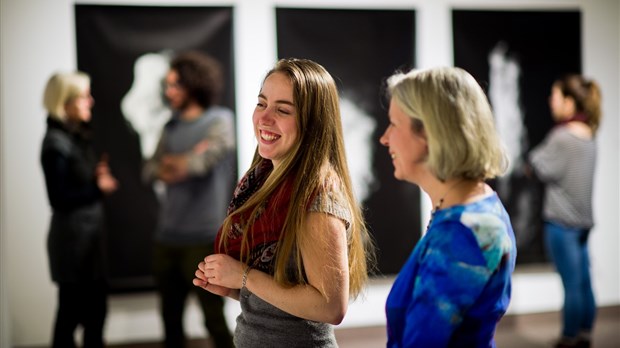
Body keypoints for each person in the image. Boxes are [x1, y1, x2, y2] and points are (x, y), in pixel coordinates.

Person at [192, 58, 375, 347]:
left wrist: (244, 276)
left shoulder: (318, 195)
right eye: (261, 103)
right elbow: (283, 295)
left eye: (283, 110)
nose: (264, 118)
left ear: (312, 123)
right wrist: (234, 287)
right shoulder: (262, 180)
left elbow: (330, 307)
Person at [379, 66, 517, 347]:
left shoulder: (462, 234)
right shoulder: (472, 207)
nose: (385, 138)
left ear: (429, 132)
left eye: (394, 124)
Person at [142, 50, 236, 348]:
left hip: (204, 238)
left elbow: (200, 164)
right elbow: (149, 170)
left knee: (214, 320)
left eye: (175, 85)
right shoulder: (169, 127)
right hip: (167, 237)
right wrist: (185, 159)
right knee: (170, 320)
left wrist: (177, 162)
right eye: (167, 85)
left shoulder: (219, 120)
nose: (169, 92)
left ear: (193, 84)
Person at [40, 71, 119, 348]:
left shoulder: (72, 137)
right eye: (84, 97)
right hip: (74, 246)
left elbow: (73, 182)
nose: (91, 101)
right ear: (65, 103)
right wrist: (99, 188)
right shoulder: (55, 144)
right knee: (71, 316)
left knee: (94, 314)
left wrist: (93, 178)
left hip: (86, 241)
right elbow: (59, 198)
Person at [527, 74, 602, 348]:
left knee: (570, 285)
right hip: (582, 222)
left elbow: (538, 165)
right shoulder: (590, 136)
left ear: (569, 102)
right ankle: (584, 334)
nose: (551, 101)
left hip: (562, 222)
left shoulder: (561, 137)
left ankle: (568, 338)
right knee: (584, 281)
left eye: (555, 96)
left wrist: (532, 162)